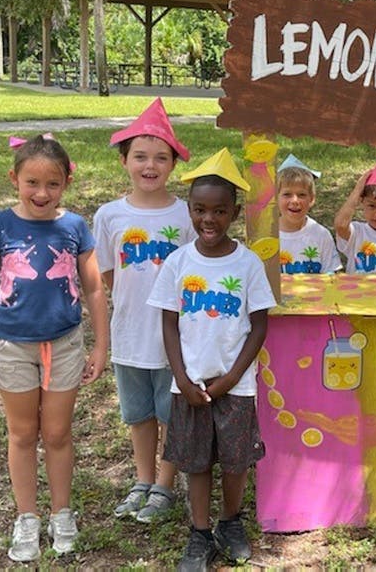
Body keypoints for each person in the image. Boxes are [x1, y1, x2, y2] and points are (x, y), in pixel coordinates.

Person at [0, 135, 108, 561]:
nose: (42, 193)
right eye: (32, 183)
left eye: (53, 184)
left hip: (64, 346)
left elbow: (95, 289)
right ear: (14, 179)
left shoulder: (75, 227)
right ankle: (27, 516)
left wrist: (101, 345)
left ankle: (61, 512)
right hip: (12, 348)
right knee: (23, 434)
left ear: (67, 181)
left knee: (58, 433)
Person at [147, 148, 276, 570]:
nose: (209, 219)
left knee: (236, 461)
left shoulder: (249, 263)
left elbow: (258, 327)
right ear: (189, 210)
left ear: (235, 213)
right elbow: (169, 324)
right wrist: (182, 379)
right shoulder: (178, 262)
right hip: (189, 385)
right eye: (200, 210)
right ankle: (200, 533)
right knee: (196, 461)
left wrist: (230, 378)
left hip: (235, 385)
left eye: (219, 211)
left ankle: (230, 521)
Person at [93, 98, 194, 523]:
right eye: (140, 156)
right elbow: (108, 274)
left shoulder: (187, 214)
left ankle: (165, 486)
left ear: (173, 164)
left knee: (172, 413)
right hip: (130, 333)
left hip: (175, 339)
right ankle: (142, 479)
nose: (149, 166)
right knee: (139, 414)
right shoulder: (109, 215)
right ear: (124, 161)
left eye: (160, 158)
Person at [277, 154, 341, 274]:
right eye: (287, 194)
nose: (295, 201)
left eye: (302, 195)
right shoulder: (268, 236)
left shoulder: (321, 235)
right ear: (275, 198)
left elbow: (331, 275)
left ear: (311, 199)